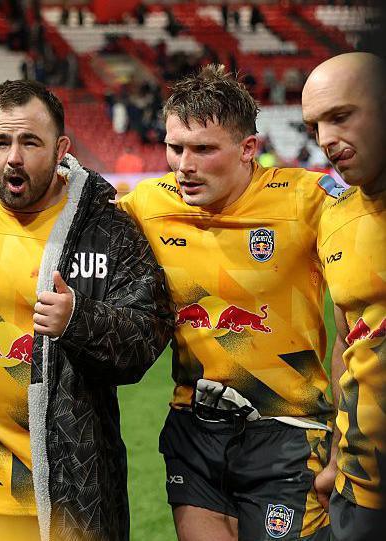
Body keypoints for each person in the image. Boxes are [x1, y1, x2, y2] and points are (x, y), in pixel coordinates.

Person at [0, 79, 174, 540]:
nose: (13, 157)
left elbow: (148, 334)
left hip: (70, 495)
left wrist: (79, 319)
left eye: (30, 141)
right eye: (0, 142)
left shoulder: (106, 227)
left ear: (61, 148)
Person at [118, 64, 342, 541]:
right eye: (175, 147)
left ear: (247, 150)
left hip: (288, 430)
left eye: (203, 149)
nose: (184, 164)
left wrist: (347, 445)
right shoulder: (146, 204)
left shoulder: (309, 201)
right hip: (193, 427)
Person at [303, 51, 386, 541]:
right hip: (362, 489)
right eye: (315, 126)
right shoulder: (335, 219)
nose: (326, 141)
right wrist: (336, 457)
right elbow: (345, 344)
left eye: (340, 117)